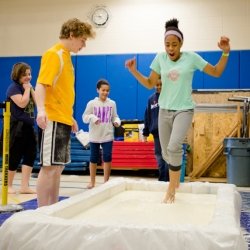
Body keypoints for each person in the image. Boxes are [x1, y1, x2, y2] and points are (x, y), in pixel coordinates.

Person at [125, 18, 230, 203]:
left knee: (174, 147)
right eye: (167, 45)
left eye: (174, 44)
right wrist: (133, 71)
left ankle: (171, 189)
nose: (171, 48)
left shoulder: (191, 58)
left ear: (181, 44)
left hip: (184, 110)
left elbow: (216, 72)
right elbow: (150, 83)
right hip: (164, 110)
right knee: (166, 154)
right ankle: (175, 180)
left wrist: (225, 53)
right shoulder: (160, 58)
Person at [35, 18, 95, 207]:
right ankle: (43, 211)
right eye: (83, 40)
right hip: (51, 119)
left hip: (62, 119)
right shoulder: (54, 55)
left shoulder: (66, 57)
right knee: (49, 167)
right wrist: (41, 110)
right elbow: (41, 85)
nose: (84, 45)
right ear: (72, 35)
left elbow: (61, 92)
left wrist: (69, 117)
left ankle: (53, 208)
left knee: (58, 167)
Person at [82, 79, 121, 189]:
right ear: (97, 90)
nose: (105, 92)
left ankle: (106, 182)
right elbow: (84, 118)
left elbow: (115, 116)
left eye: (107, 90)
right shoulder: (91, 103)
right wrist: (92, 117)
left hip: (107, 135)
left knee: (107, 157)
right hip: (94, 136)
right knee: (94, 158)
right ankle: (92, 182)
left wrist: (117, 121)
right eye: (103, 90)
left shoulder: (112, 103)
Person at [6, 62, 37, 194]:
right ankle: (8, 185)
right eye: (25, 75)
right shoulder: (13, 88)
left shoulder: (29, 87)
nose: (28, 77)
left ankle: (24, 186)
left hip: (29, 126)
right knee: (14, 156)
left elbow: (37, 102)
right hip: (17, 127)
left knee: (30, 154)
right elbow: (22, 103)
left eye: (29, 74)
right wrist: (27, 89)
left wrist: (31, 90)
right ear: (18, 75)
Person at [142, 77, 169, 182]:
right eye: (157, 85)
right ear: (153, 85)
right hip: (156, 132)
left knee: (167, 155)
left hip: (167, 131)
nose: (159, 87)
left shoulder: (169, 97)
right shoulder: (151, 99)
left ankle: (168, 179)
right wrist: (145, 132)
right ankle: (162, 179)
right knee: (159, 156)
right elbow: (147, 116)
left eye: (161, 85)